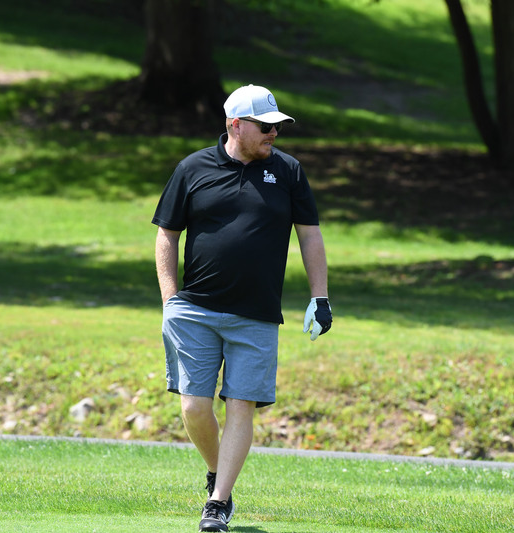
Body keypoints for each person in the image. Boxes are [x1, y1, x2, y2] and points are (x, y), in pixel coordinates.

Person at [152, 84, 332, 532]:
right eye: (266, 126)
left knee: (240, 406)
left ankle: (218, 501)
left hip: (256, 315)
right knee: (194, 407)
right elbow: (167, 234)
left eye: (279, 126)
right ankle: (218, 472)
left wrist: (320, 296)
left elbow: (309, 235)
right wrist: (170, 299)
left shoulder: (288, 172)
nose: (275, 134)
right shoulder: (193, 168)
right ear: (236, 124)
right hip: (194, 310)